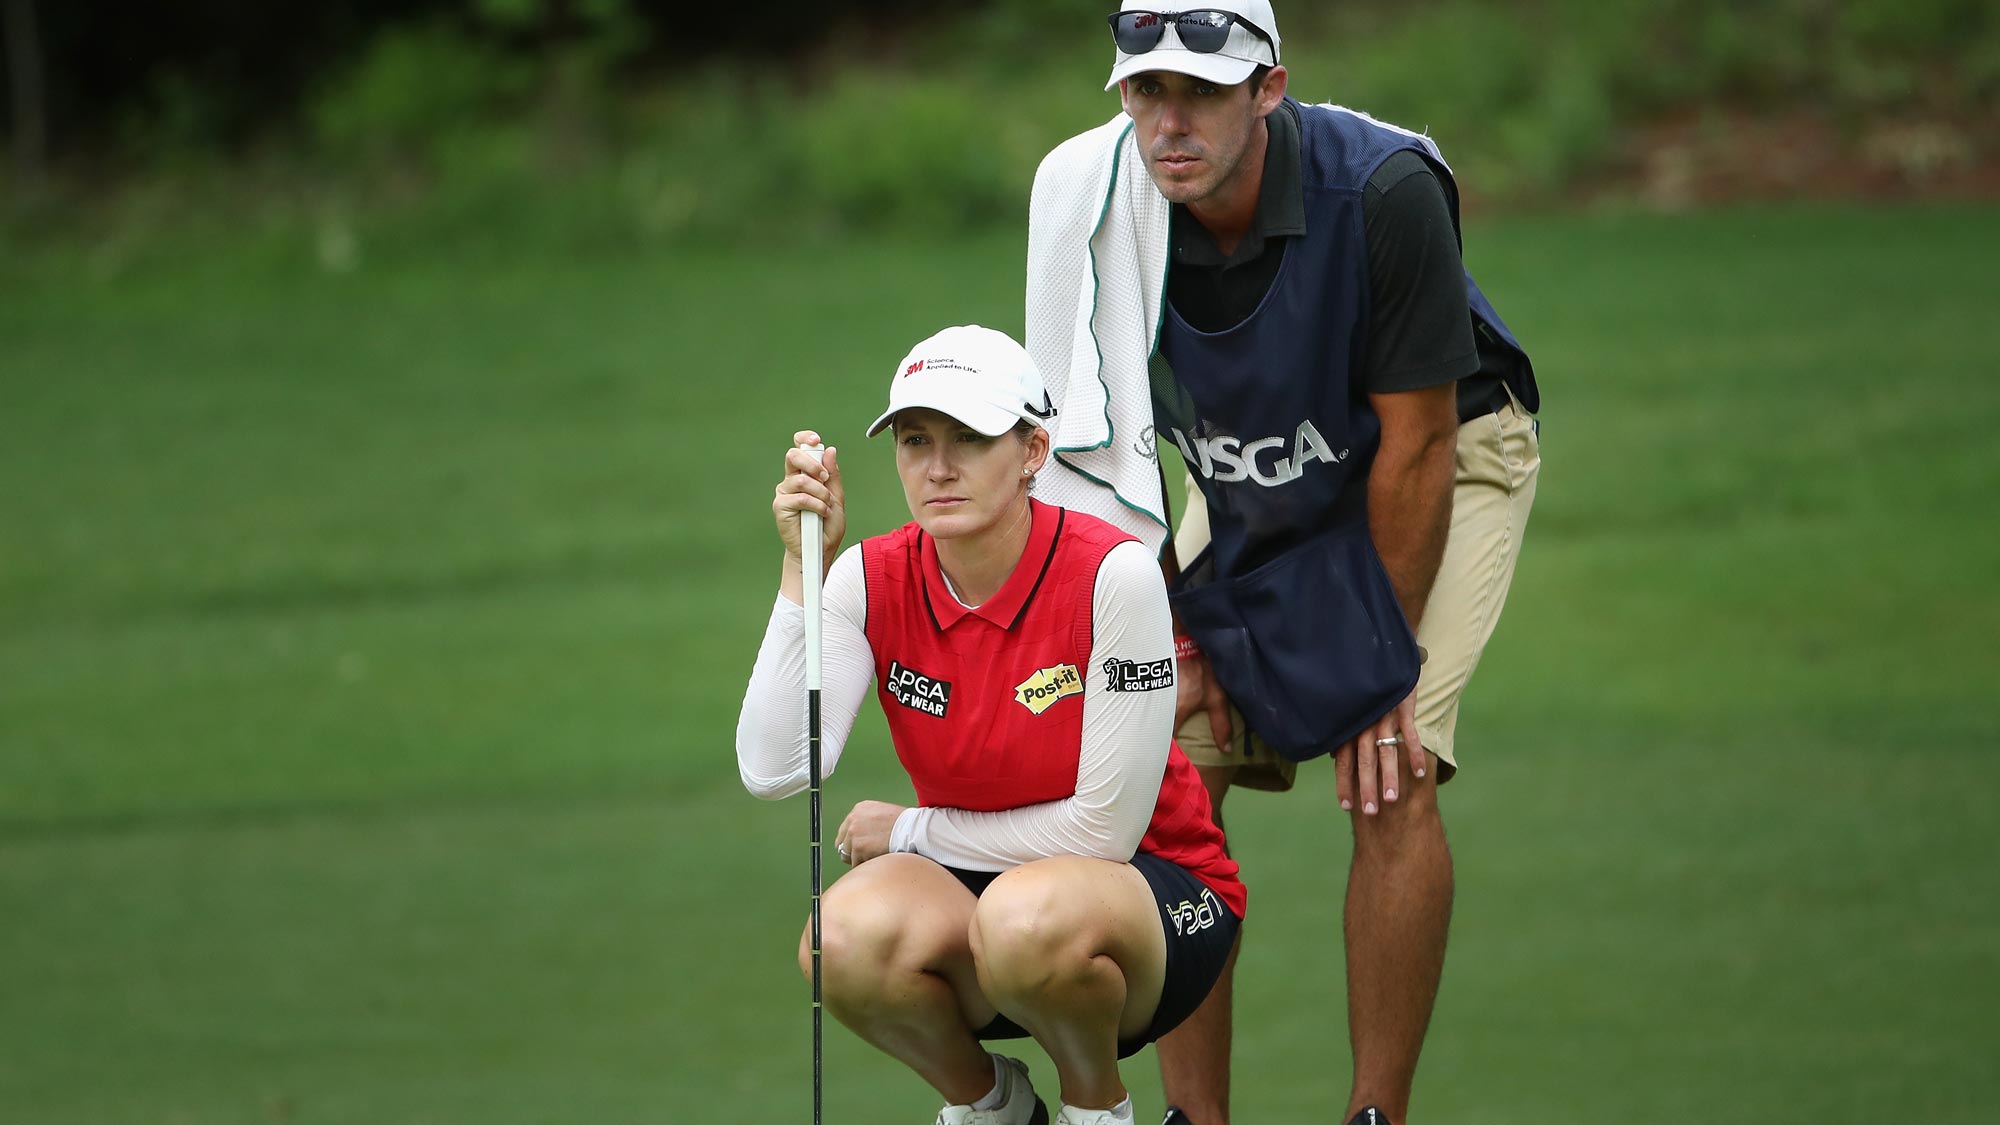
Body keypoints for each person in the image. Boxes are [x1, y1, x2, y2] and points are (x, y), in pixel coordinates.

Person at [1023, 5, 1543, 1125]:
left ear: (1266, 90)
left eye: (1201, 94)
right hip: (1250, 472)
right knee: (1160, 769)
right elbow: (1092, 452)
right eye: (1143, 93)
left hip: (1439, 453)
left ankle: (1373, 1115)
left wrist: (1372, 667)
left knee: (1387, 763)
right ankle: (1191, 1120)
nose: (1169, 123)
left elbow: (1413, 444)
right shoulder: (1092, 203)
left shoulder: (1385, 192)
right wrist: (1157, 622)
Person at [735, 324, 1248, 1125]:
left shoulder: (1113, 574)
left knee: (1024, 919)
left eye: (970, 438)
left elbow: (1102, 832)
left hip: (1153, 900)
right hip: (990, 905)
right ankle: (993, 1107)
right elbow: (775, 767)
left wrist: (911, 831)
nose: (938, 467)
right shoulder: (870, 577)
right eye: (914, 440)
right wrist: (804, 570)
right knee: (838, 943)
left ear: (1034, 450)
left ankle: (1096, 1109)